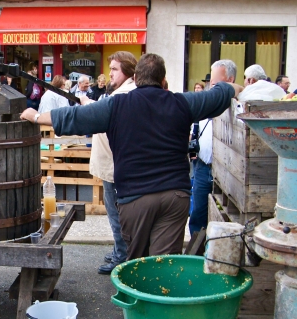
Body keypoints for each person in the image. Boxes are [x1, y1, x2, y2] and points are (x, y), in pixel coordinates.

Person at [20, 54, 242, 258]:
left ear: (135, 78)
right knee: (164, 264)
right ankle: (161, 300)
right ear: (163, 80)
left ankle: (140, 299)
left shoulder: (116, 105)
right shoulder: (182, 102)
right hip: (175, 196)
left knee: (136, 264)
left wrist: (36, 115)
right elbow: (219, 94)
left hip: (136, 199)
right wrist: (237, 87)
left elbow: (75, 116)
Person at [85, 51, 137, 274]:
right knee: (117, 212)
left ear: (127, 70)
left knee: (117, 214)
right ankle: (120, 248)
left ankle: (121, 256)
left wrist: (87, 104)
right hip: (113, 165)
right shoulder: (123, 91)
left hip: (114, 167)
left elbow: (98, 116)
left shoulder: (124, 93)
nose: (110, 73)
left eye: (115, 69)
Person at [188, 60, 236, 237]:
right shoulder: (207, 102)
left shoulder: (237, 106)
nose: (211, 90)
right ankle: (196, 253)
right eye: (210, 84)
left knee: (223, 217)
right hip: (202, 166)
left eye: (216, 85)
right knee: (198, 213)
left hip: (227, 171)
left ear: (230, 81)